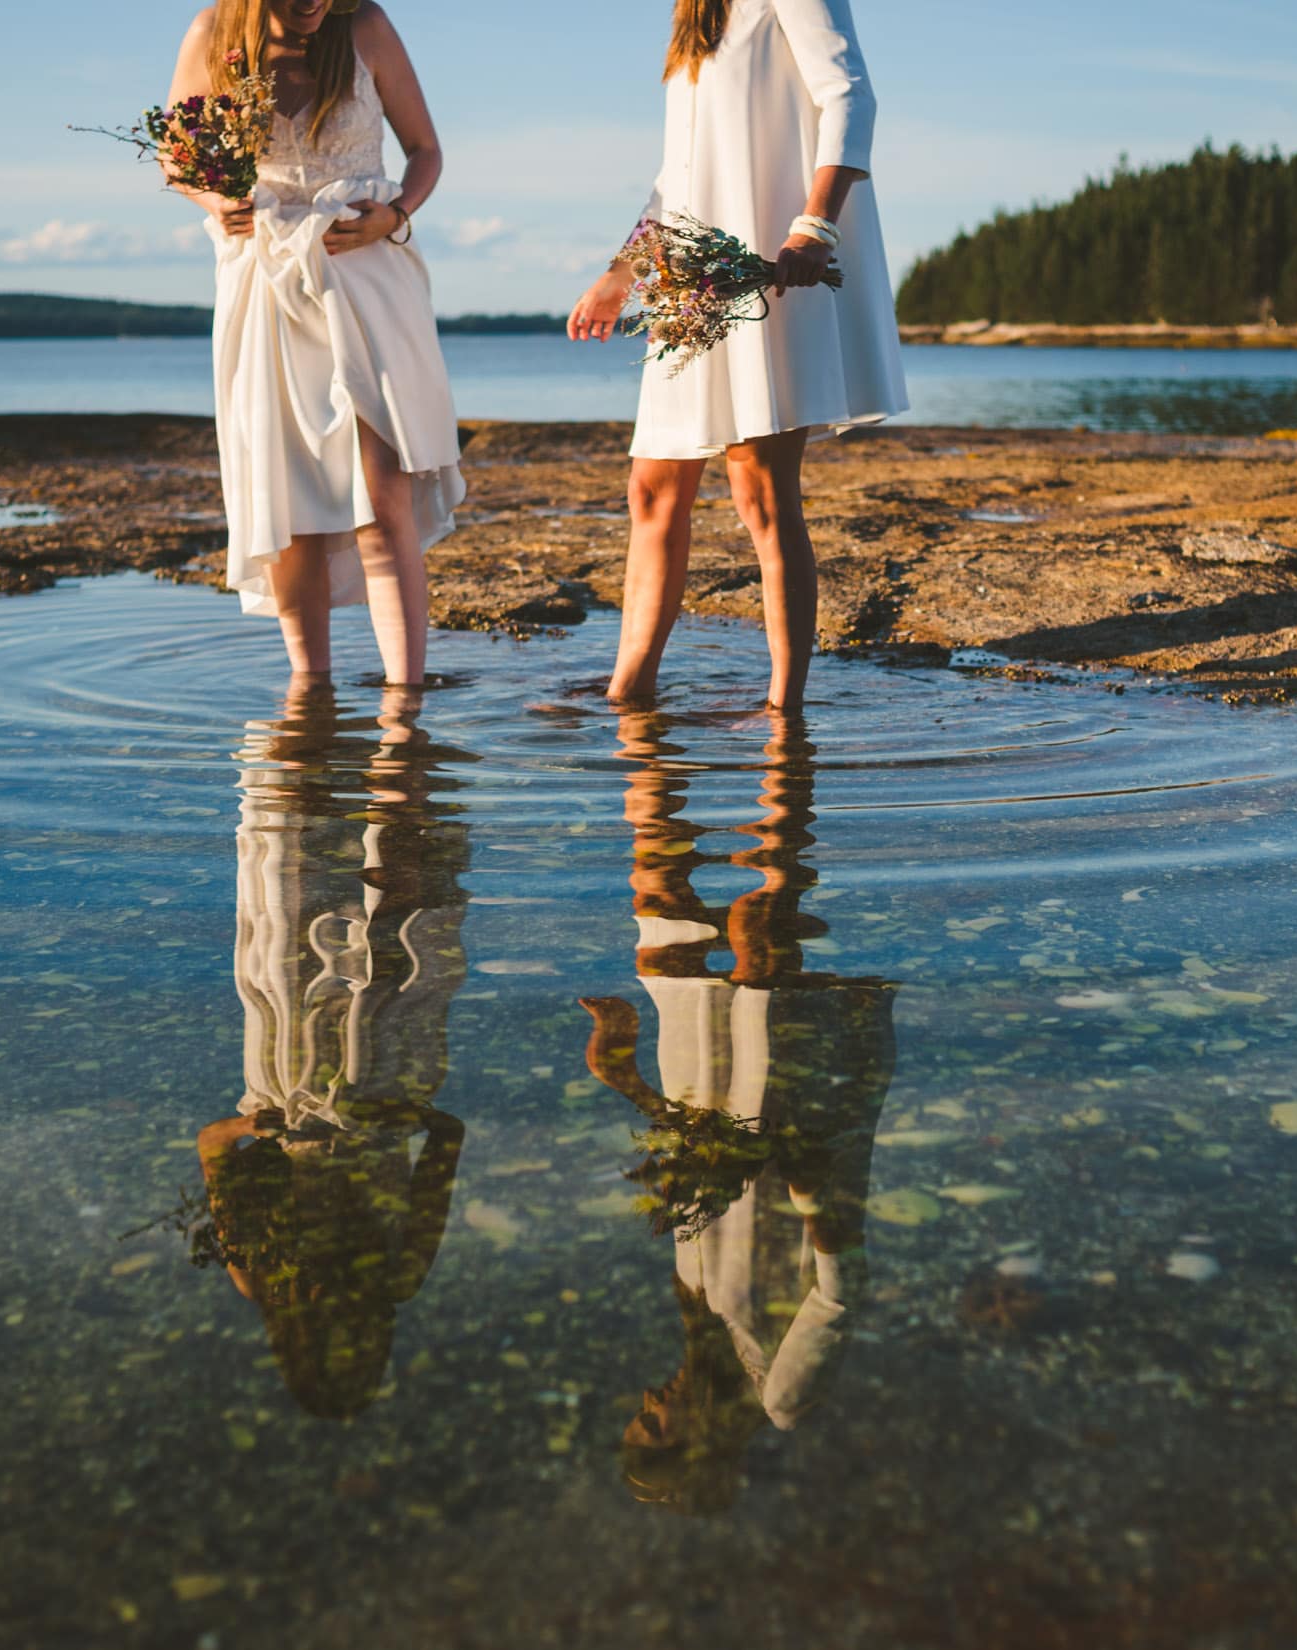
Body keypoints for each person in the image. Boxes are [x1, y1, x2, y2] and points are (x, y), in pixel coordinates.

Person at [577, 712, 896, 1512]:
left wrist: (623, 1077)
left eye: (640, 1415)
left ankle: (647, 736)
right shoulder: (776, 1399)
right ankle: (785, 733)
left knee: (659, 911)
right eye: (656, 1422)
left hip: (707, 1098)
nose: (649, 1396)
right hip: (794, 1115)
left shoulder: (698, 1317)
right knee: (763, 918)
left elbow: (702, 1174)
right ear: (703, 1441)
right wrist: (811, 1181)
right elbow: (842, 1292)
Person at [568, 0, 907, 710]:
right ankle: (628, 693)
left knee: (760, 492)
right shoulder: (691, 15)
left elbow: (852, 96)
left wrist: (815, 227)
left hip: (769, 265)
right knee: (652, 490)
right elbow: (680, 171)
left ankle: (783, 712)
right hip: (693, 280)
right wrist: (622, 271)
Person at [190, 682, 472, 1419]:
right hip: (384, 1077)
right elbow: (450, 1135)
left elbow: (212, 1144)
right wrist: (392, 1117)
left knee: (291, 935)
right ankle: (398, 768)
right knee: (391, 932)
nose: (340, 1325)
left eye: (328, 1343)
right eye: (357, 1345)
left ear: (300, 1343)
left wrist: (271, 1130)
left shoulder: (262, 1275)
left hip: (285, 1081)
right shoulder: (398, 1274)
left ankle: (313, 775)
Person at [163, 0, 463, 684]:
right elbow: (177, 155)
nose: (312, 4)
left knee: (383, 494)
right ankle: (311, 694)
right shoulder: (212, 33)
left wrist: (394, 215)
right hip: (264, 277)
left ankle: (405, 699)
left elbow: (426, 151)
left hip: (366, 276)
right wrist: (214, 201)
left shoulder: (365, 28)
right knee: (290, 498)